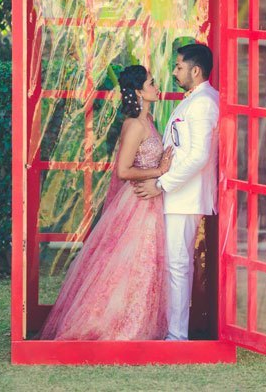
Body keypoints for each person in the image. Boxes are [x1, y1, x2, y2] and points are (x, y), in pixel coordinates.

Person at [39, 65, 173, 340]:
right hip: (137, 201)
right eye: (151, 83)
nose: (157, 87)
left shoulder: (149, 123)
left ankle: (137, 320)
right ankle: (112, 323)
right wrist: (159, 172)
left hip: (149, 201)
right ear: (138, 92)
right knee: (129, 264)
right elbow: (123, 171)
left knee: (144, 266)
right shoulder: (135, 125)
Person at [134, 44, 219, 341]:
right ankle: (173, 330)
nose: (173, 71)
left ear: (195, 71)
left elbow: (199, 157)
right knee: (175, 263)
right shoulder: (193, 100)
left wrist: (160, 184)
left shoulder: (205, 103)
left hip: (186, 195)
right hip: (176, 192)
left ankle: (177, 334)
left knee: (178, 264)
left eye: (179, 66)